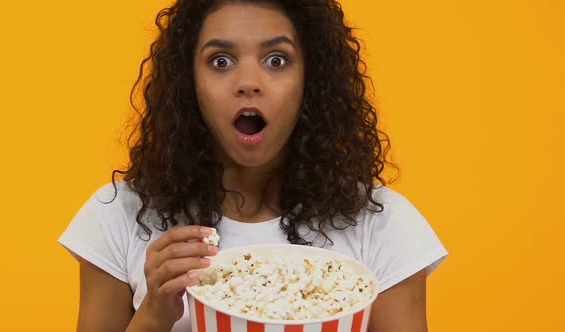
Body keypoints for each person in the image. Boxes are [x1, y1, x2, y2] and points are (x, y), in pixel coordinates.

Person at [59, 0, 448, 331]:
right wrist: (153, 314)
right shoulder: (119, 215)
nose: (248, 82)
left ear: (310, 80)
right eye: (221, 60)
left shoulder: (383, 224)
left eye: (276, 60)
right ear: (188, 82)